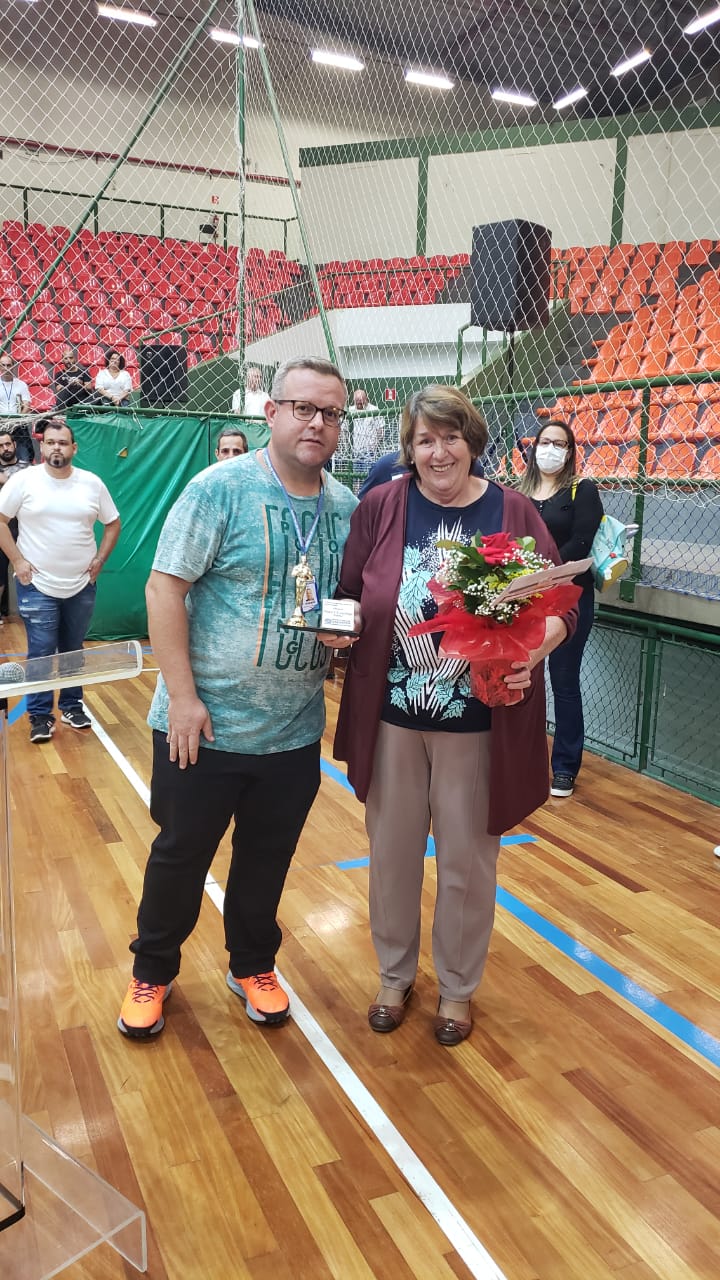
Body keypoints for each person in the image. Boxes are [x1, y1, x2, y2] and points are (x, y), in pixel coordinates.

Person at [117, 356, 359, 1040]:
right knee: (181, 855)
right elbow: (165, 589)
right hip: (205, 724)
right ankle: (153, 972)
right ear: (271, 412)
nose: (317, 423)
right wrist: (185, 699)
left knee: (267, 859)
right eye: (303, 408)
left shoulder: (345, 507)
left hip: (292, 728)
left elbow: (340, 604)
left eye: (331, 413)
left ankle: (252, 964)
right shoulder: (218, 488)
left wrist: (344, 636)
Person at [333, 385, 577, 1047]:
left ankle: (458, 989)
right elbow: (349, 593)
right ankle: (393, 976)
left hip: (477, 721)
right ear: (408, 450)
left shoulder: (515, 511)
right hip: (392, 719)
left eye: (449, 438)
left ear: (472, 443)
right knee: (392, 854)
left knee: (468, 863)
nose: (436, 452)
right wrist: (337, 627)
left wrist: (536, 644)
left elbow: (563, 603)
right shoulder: (382, 506)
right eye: (422, 440)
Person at [0, 417, 121, 743]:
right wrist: (18, 560)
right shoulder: (24, 481)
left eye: (63, 442)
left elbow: (113, 523)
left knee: (72, 648)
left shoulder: (91, 483)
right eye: (51, 442)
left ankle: (71, 705)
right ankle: (40, 717)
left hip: (81, 585)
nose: (57, 447)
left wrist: (100, 560)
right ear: (42, 446)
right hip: (36, 584)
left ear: (73, 448)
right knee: (41, 650)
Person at [517, 420, 603, 799]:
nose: (551, 449)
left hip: (568, 597)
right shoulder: (518, 491)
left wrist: (543, 573)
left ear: (570, 451)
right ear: (534, 447)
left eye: (561, 443)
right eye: (545, 442)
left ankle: (565, 767)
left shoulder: (581, 490)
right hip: (522, 598)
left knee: (564, 681)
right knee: (520, 677)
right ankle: (519, 760)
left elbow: (582, 540)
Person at [0, 431, 30, 622]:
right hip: (2, 527)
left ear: (14, 444)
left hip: (26, 527)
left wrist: (6, 481)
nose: (5, 448)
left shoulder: (27, 469)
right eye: (1, 446)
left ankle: (33, 612)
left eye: (8, 444)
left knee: (30, 568)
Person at [0, 354, 33, 462]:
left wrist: (17, 421)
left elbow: (27, 406)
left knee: (25, 458)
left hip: (18, 425)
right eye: (3, 365)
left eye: (9, 365)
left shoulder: (21, 384)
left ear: (13, 366)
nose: (6, 368)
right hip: (1, 423)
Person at [54, 344, 94, 411]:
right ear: (62, 361)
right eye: (66, 358)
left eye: (71, 358)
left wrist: (80, 383)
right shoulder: (59, 374)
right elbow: (59, 390)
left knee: (97, 396)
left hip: (83, 402)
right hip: (67, 402)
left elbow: (89, 388)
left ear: (75, 359)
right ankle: (64, 411)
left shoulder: (84, 372)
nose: (68, 360)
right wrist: (70, 384)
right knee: (62, 394)